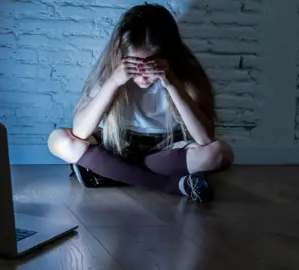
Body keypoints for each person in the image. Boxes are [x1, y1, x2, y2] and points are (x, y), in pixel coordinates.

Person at [47, 3, 234, 203]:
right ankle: (176, 185)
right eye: (135, 64)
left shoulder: (186, 78)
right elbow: (81, 132)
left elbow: (206, 139)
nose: (144, 74)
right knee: (58, 140)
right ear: (122, 56)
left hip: (165, 152)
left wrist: (172, 84)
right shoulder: (111, 75)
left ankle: (112, 173)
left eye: (153, 64)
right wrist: (114, 82)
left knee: (221, 153)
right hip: (118, 147)